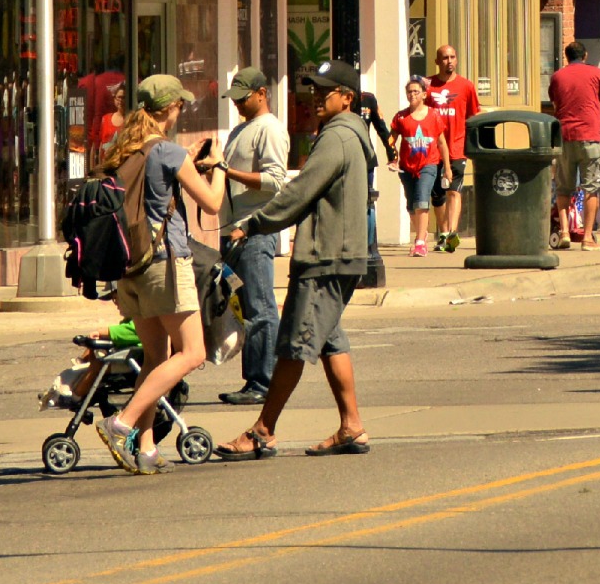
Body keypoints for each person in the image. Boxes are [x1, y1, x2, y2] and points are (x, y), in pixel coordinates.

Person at [216, 62, 385, 458]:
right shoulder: (350, 135)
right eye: (312, 91)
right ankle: (352, 427)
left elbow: (300, 192)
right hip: (340, 254)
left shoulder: (338, 137)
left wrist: (254, 224)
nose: (315, 99)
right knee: (329, 339)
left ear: (347, 97)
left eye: (324, 92)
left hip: (325, 256)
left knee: (293, 343)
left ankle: (262, 430)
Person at [92, 75, 223, 474]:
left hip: (127, 268)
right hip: (164, 263)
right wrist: (217, 167)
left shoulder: (121, 149)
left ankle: (145, 446)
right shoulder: (169, 153)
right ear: (168, 109)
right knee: (193, 353)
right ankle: (122, 423)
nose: (181, 110)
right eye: (180, 105)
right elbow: (213, 203)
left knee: (155, 357)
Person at [218, 68, 290, 404]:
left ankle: (263, 382)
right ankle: (253, 381)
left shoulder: (270, 129)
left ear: (262, 93)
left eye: (243, 99)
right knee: (245, 308)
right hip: (233, 232)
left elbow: (276, 181)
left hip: (255, 231)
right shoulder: (239, 130)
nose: (238, 105)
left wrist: (227, 171)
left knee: (260, 307)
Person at [547, 41, 600, 245]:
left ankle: (565, 232)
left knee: (563, 187)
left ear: (567, 57)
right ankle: (587, 238)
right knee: (591, 187)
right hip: (590, 136)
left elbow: (555, 104)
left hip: (565, 137)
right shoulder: (596, 74)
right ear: (585, 55)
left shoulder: (557, 76)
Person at [424, 45, 477, 253]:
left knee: (454, 189)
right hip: (433, 148)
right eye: (445, 58)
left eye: (452, 57)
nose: (449, 61)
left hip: (457, 146)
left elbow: (472, 115)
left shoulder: (466, 86)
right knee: (437, 194)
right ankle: (443, 232)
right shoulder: (428, 86)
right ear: (437, 61)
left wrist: (470, 144)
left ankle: (452, 234)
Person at [389, 79, 445, 256]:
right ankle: (422, 231)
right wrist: (392, 158)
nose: (412, 94)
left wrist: (448, 168)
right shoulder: (401, 117)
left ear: (424, 94)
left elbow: (442, 142)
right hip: (407, 167)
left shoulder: (434, 115)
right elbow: (391, 139)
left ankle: (420, 242)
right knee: (412, 204)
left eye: (415, 91)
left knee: (422, 200)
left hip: (429, 164)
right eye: (409, 92)